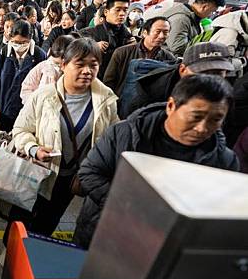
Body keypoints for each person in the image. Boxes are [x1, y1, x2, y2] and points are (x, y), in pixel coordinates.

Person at [73, 74, 240, 248]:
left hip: (167, 246)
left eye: (216, 120)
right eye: (195, 117)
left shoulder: (224, 161)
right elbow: (89, 172)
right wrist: (129, 206)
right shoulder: (125, 133)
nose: (202, 128)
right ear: (171, 106)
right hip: (104, 232)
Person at [12, 38, 119, 236]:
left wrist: (91, 172)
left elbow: (111, 142)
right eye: (80, 64)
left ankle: (33, 256)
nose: (87, 71)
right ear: (63, 65)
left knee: (48, 223)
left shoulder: (106, 100)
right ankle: (11, 254)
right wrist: (33, 149)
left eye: (93, 65)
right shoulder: (44, 96)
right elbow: (20, 130)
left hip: (70, 181)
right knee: (20, 221)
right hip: (36, 172)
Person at [125, 42, 234, 117]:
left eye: (218, 73)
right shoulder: (152, 91)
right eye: (202, 73)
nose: (211, 80)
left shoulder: (225, 93)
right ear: (182, 70)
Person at [0, 19, 47, 132]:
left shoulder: (40, 56)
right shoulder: (2, 55)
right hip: (4, 113)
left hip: (29, 115)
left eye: (23, 42)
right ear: (10, 38)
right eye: (15, 42)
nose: (19, 46)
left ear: (30, 39)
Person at [104, 16, 177, 96]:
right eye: (158, 31)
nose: (161, 36)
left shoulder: (169, 58)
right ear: (145, 33)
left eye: (166, 32)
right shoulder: (122, 52)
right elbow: (109, 82)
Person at [145, 0, 226, 57]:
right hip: (164, 58)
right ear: (205, 7)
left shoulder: (192, 16)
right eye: (212, 11)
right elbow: (178, 48)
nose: (211, 15)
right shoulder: (181, 19)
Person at [80, 0, 133, 77]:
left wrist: (134, 47)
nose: (122, 14)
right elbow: (75, 52)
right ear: (106, 12)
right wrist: (93, 46)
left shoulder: (129, 37)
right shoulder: (89, 33)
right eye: (118, 10)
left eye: (125, 10)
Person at [21, 35, 76, 103]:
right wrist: (36, 104)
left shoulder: (76, 72)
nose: (59, 67)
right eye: (56, 63)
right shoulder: (43, 67)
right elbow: (26, 89)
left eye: (63, 64)